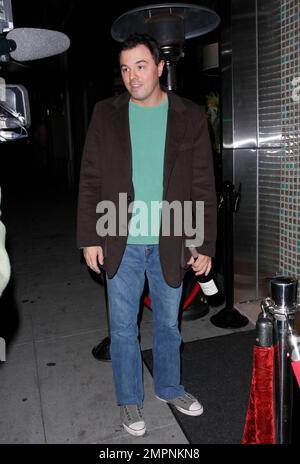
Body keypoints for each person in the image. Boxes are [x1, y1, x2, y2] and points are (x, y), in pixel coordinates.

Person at [77, 33, 217, 437]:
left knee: (169, 324)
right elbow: (91, 178)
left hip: (172, 233)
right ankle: (128, 400)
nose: (132, 76)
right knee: (122, 328)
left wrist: (203, 244)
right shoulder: (106, 113)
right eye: (125, 68)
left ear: (159, 67)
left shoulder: (189, 115)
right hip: (117, 231)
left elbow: (203, 185)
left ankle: (170, 388)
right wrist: (90, 236)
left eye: (140, 66)